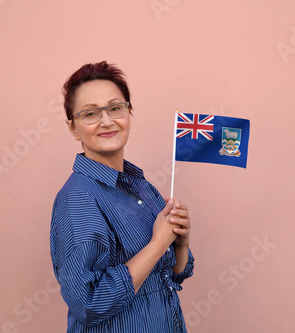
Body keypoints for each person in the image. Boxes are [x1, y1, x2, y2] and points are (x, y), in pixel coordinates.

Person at [50, 61, 194, 332]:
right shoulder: (78, 198)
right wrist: (157, 244)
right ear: (73, 127)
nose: (107, 121)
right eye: (90, 113)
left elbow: (173, 276)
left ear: (129, 113)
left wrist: (180, 244)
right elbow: (88, 303)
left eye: (115, 108)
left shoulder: (141, 186)